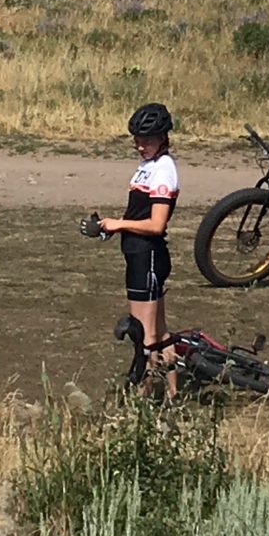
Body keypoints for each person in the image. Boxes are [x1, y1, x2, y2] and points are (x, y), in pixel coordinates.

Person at [87, 103, 179, 362]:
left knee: (146, 336)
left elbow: (156, 224)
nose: (140, 146)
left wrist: (119, 224)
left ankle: (145, 393)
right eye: (137, 141)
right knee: (159, 332)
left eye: (146, 141)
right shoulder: (148, 165)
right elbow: (137, 212)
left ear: (162, 138)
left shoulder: (163, 170)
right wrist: (110, 227)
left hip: (148, 255)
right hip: (138, 255)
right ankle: (172, 395)